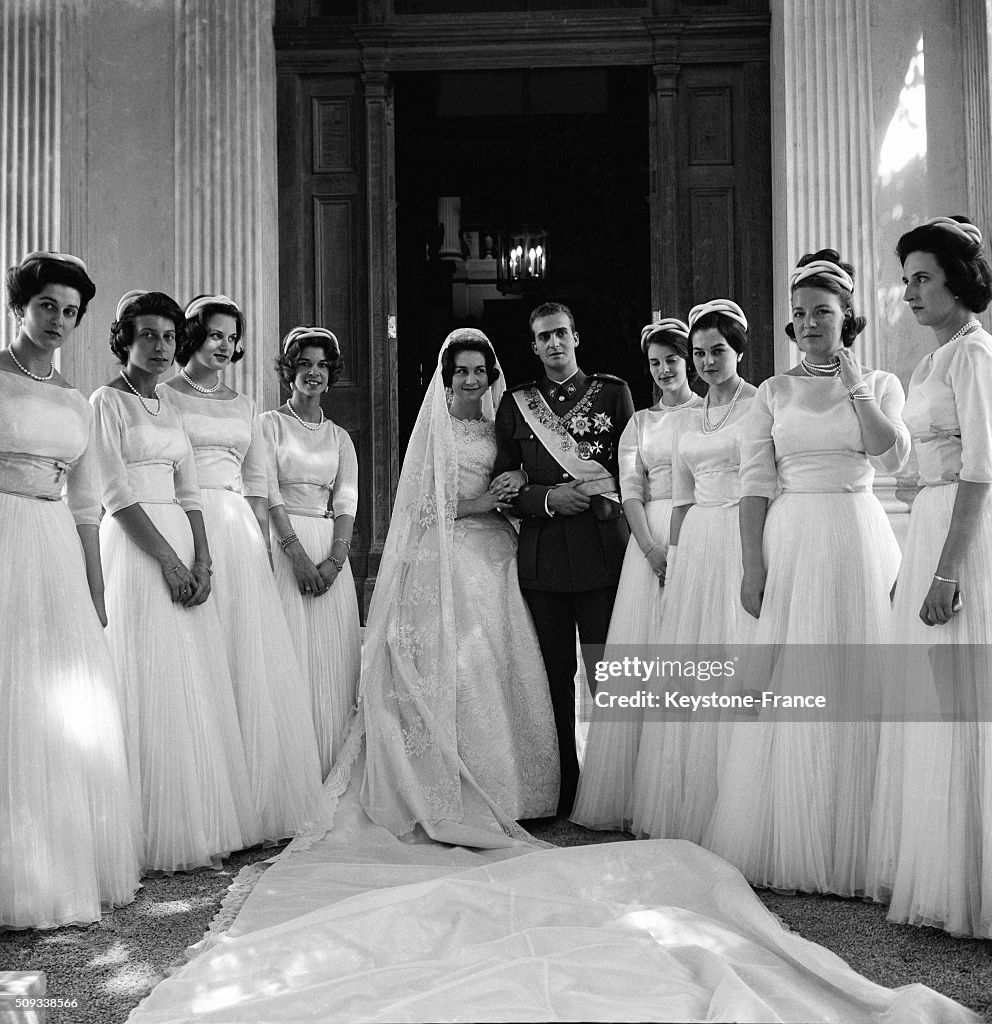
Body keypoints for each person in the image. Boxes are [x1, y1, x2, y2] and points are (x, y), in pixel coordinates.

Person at [704, 252, 909, 896]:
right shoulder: (772, 392)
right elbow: (754, 483)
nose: (810, 322)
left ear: (848, 317)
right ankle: (790, 830)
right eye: (799, 313)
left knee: (855, 673)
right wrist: (752, 564)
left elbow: (893, 455)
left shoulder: (880, 382)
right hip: (791, 535)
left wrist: (852, 384)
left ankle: (860, 835)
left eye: (822, 311)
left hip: (855, 533)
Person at [327, 327, 559, 848]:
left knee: (506, 664)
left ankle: (520, 792)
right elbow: (420, 505)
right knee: (461, 668)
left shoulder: (498, 427)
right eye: (463, 372)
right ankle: (457, 787)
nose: (473, 380)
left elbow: (518, 469)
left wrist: (516, 483)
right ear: (448, 377)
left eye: (480, 371)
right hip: (450, 556)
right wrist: (483, 504)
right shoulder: (436, 429)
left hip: (499, 553)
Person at [91, 290, 260, 872]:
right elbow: (113, 492)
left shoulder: (167, 403)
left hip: (184, 538)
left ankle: (193, 817)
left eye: (168, 337)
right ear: (125, 341)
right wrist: (166, 559)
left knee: (190, 679)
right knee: (146, 676)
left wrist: (203, 557)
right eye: (148, 337)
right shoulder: (105, 403)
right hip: (137, 543)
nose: (160, 347)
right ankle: (137, 828)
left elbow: (190, 488)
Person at [0, 252, 139, 928]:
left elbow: (87, 507)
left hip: (53, 540)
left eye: (70, 311)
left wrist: (95, 589)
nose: (57, 320)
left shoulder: (73, 403)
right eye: (46, 306)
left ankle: (46, 869)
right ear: (19, 307)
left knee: (48, 699)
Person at [161, 296, 329, 841]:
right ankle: (198, 802)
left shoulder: (244, 405)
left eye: (232, 337)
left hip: (234, 526)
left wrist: (265, 545)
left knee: (242, 656)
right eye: (214, 335)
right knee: (192, 658)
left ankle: (250, 801)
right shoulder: (164, 395)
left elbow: (257, 485)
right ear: (193, 336)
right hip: (184, 519)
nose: (224, 345)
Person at [867, 215, 992, 936]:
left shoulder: (973, 355)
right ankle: (945, 868)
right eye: (905, 277)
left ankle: (974, 875)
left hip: (965, 538)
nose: (909, 291)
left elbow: (981, 468)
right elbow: (926, 467)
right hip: (932, 528)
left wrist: (945, 572)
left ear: (957, 281)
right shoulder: (926, 364)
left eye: (922, 277)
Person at [493, 302, 634, 818]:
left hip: (602, 550)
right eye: (543, 337)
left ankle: (614, 788)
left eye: (561, 334)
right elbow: (505, 485)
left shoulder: (614, 394)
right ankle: (565, 790)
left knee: (608, 675)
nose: (553, 344)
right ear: (533, 346)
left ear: (576, 336)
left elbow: (631, 472)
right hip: (544, 558)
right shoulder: (517, 404)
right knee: (553, 679)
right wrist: (550, 498)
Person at [626, 299, 756, 842]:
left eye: (714, 351)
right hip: (696, 539)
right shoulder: (685, 419)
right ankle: (694, 796)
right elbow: (678, 497)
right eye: (699, 352)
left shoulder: (759, 402)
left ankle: (739, 795)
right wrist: (671, 558)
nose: (705, 361)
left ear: (738, 351)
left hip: (740, 534)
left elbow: (764, 481)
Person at [571, 318, 703, 831]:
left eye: (673, 359)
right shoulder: (640, 423)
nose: (665, 370)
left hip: (702, 535)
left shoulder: (710, 412)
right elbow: (630, 491)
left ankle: (691, 790)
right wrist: (649, 548)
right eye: (655, 363)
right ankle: (638, 790)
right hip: (648, 541)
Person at [261, 327, 361, 776]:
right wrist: (296, 556)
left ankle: (329, 769)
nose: (314, 373)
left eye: (322, 365)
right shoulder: (269, 425)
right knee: (288, 659)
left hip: (328, 547)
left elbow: (346, 502)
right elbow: (267, 494)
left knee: (331, 665)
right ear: (290, 371)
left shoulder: (340, 437)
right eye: (305, 364)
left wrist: (335, 561)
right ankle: (291, 774)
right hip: (283, 545)